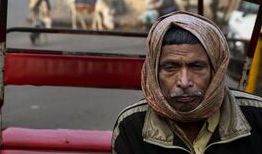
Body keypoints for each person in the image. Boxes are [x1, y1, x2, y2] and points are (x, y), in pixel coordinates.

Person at [112, 11, 262, 154]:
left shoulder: (257, 116)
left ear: (216, 70)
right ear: (154, 72)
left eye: (197, 67)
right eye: (170, 67)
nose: (184, 82)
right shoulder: (132, 125)